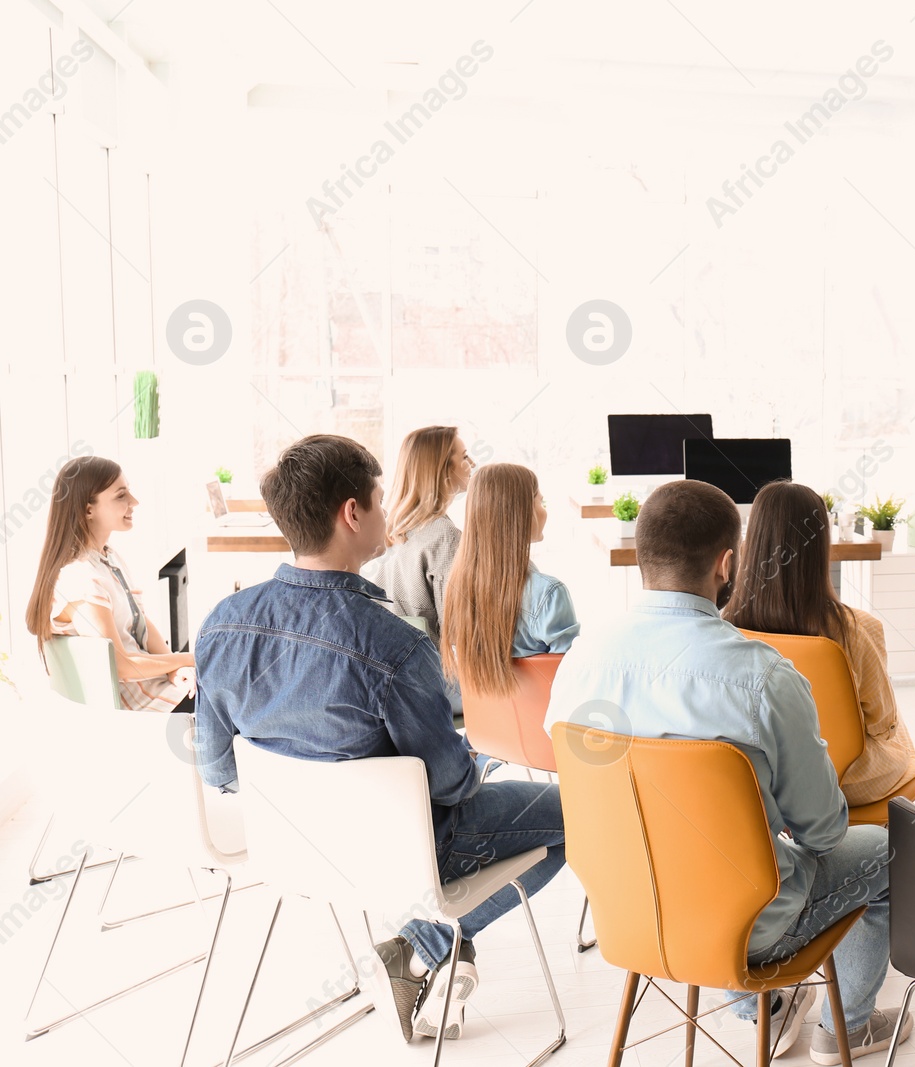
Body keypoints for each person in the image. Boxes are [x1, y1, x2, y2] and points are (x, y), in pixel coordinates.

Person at [193, 435, 564, 1045]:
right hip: (408, 852)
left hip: (296, 849)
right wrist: (471, 764)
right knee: (578, 813)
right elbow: (449, 784)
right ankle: (424, 941)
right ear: (352, 513)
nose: (388, 513)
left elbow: (215, 765)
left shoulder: (222, 625)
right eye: (379, 499)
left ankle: (425, 946)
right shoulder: (394, 645)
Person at [547, 479, 910, 1065]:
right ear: (726, 563)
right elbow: (822, 832)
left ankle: (763, 1012)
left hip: (627, 915)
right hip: (751, 930)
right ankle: (846, 1027)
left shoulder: (580, 659)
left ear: (641, 557)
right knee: (894, 850)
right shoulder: (763, 678)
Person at [721, 480, 915, 807]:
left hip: (763, 778)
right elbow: (881, 722)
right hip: (843, 780)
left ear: (753, 541)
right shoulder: (856, 629)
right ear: (821, 549)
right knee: (908, 746)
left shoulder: (724, 624)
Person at [25, 456, 195, 713]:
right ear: (88, 509)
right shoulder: (80, 578)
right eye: (121, 496)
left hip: (161, 688)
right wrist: (192, 658)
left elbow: (141, 623)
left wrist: (178, 670)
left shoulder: (108, 558)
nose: (134, 502)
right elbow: (122, 666)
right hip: (145, 707)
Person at [439, 463, 579, 700]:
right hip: (542, 733)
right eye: (540, 502)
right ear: (522, 513)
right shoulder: (549, 594)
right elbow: (572, 681)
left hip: (481, 735)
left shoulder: (457, 589)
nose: (544, 511)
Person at [363, 426, 474, 646]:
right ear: (443, 469)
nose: (473, 464)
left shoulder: (389, 529)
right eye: (464, 457)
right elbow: (456, 632)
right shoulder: (444, 536)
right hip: (428, 671)